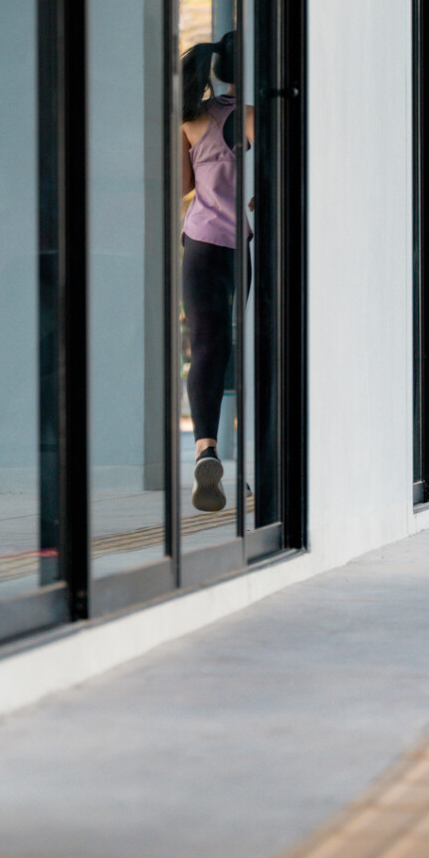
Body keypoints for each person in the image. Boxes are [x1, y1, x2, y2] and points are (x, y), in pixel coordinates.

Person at [179, 31, 249, 514]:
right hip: (239, 247)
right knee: (245, 350)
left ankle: (206, 446)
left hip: (199, 244)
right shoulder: (253, 117)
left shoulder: (192, 119)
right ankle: (254, 461)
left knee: (206, 348)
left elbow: (181, 185)